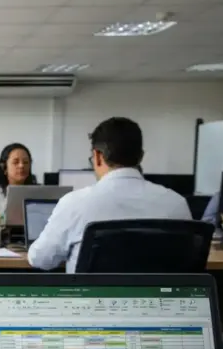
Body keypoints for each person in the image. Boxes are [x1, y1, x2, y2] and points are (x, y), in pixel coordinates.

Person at [28, 117, 191, 272]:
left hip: (92, 300)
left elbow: (41, 259)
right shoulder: (176, 204)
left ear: (98, 156)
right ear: (141, 156)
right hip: (160, 300)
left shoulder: (74, 203)